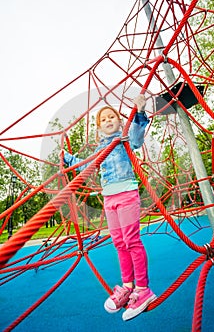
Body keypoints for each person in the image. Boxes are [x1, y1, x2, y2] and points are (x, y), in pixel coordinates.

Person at [62, 94, 156, 321]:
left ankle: (143, 289)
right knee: (119, 243)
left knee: (132, 241)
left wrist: (140, 112)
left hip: (127, 195)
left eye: (112, 116)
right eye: (103, 119)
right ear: (98, 128)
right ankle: (127, 286)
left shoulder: (123, 139)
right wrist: (66, 158)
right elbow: (85, 165)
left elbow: (136, 139)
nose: (108, 120)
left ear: (118, 120)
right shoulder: (100, 150)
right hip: (109, 199)